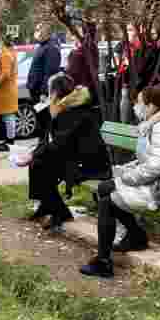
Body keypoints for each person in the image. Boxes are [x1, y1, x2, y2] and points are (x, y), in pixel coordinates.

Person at [81, 85, 160, 279]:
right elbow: (150, 161)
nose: (135, 106)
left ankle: (103, 262)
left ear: (151, 106)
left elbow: (156, 166)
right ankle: (136, 236)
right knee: (105, 189)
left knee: (108, 198)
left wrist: (124, 179)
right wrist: (125, 171)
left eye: (139, 102)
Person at [26, 75, 110, 233]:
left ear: (56, 93)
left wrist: (34, 155)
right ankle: (47, 206)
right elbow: (49, 138)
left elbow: (59, 144)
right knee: (37, 163)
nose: (47, 95)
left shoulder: (73, 112)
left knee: (41, 166)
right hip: (74, 158)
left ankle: (60, 212)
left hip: (90, 165)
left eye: (49, 91)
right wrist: (33, 154)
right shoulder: (63, 109)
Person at [28, 24, 62, 144]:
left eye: (39, 30)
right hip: (36, 89)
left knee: (45, 120)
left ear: (46, 32)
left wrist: (43, 92)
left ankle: (46, 144)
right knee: (41, 120)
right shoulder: (42, 46)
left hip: (42, 92)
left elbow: (49, 72)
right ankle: (43, 143)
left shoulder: (51, 48)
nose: (36, 33)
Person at [0, 37, 19, 153]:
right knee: (8, 117)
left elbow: (5, 73)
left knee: (8, 117)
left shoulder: (6, 55)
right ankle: (9, 140)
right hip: (8, 89)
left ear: (3, 43)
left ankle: (9, 142)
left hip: (5, 90)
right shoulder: (11, 53)